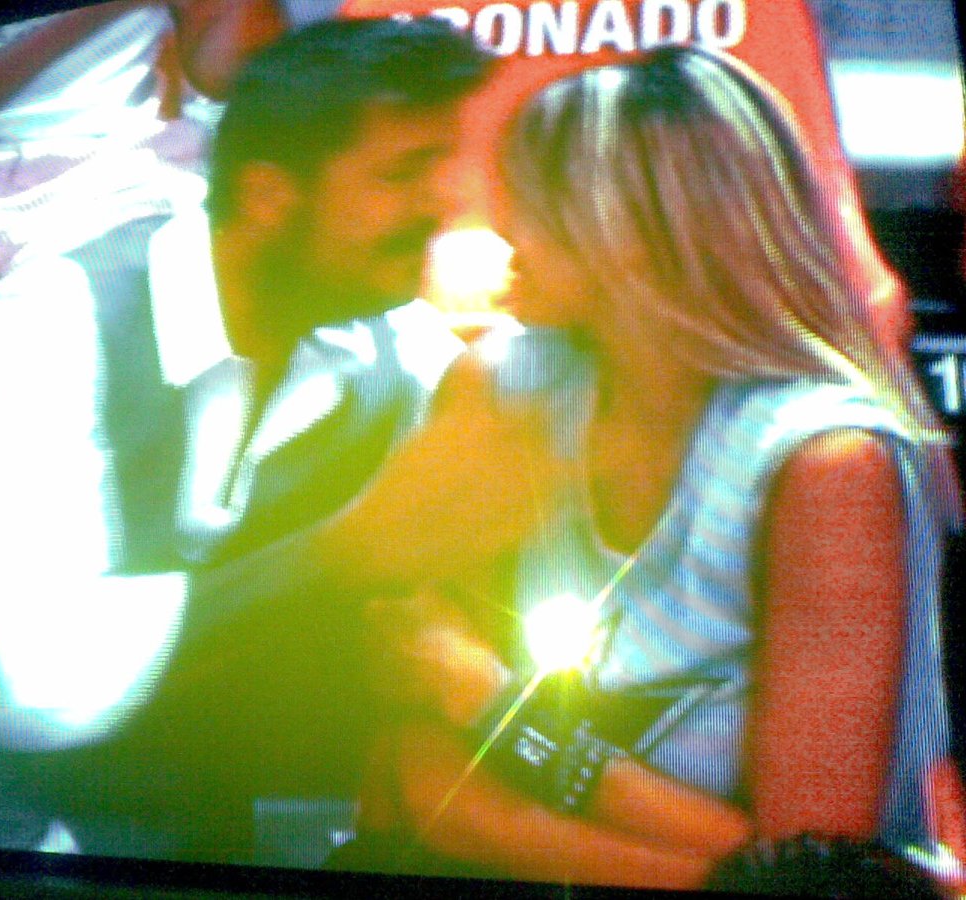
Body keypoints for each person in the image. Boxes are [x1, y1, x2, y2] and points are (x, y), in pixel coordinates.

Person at [0, 17, 563, 863]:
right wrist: (350, 549)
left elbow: (536, 393)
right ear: (270, 197)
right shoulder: (58, 314)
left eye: (442, 168)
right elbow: (49, 684)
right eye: (403, 173)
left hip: (149, 846)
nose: (441, 205)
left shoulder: (384, 344)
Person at [347, 45, 963, 893]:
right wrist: (713, 862)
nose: (502, 232)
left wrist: (496, 711)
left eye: (534, 200)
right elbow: (427, 791)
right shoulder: (500, 387)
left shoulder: (826, 462)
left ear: (633, 233)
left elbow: (806, 873)